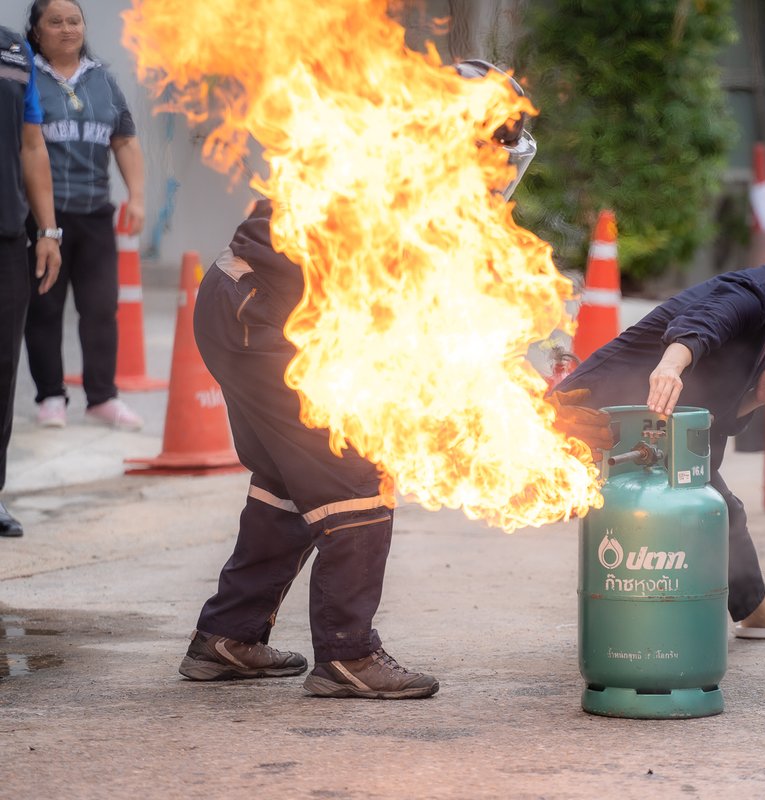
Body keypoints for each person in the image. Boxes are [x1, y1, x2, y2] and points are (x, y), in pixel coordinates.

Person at [177, 60, 536, 698]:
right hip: (264, 320)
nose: (499, 166)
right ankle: (349, 655)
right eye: (495, 146)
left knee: (290, 481)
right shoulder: (402, 173)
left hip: (249, 312)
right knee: (356, 474)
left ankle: (228, 636)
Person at [552, 202, 765, 639]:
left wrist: (756, 398)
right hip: (588, 418)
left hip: (652, 433)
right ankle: (752, 614)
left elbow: (714, 415)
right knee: (710, 511)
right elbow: (701, 324)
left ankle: (691, 622)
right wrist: (670, 366)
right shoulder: (749, 295)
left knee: (712, 510)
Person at [23, 0, 146, 431]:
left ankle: (102, 397)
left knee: (100, 308)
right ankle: (50, 396)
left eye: (74, 21)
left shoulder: (103, 80)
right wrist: (43, 224)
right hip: (44, 217)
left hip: (95, 215)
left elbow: (125, 140)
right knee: (44, 308)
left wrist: (137, 196)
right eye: (55, 22)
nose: (67, 29)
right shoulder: (27, 78)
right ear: (36, 31)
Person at [1, 24, 61, 538]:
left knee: (2, 369)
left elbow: (31, 143)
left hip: (5, 235)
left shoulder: (14, 51)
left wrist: (48, 230)